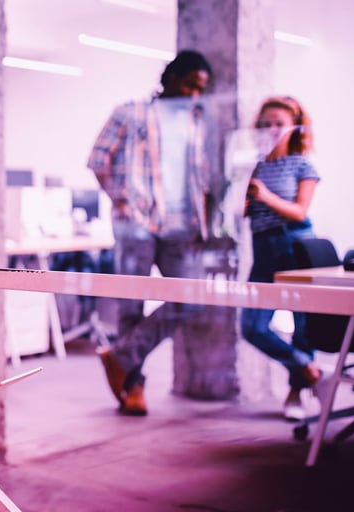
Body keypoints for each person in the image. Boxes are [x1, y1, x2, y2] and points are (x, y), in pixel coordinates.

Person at [86, 50, 219, 415]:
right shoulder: (131, 111)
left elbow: (201, 178)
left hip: (181, 227)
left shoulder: (195, 123)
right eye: (190, 85)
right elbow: (98, 160)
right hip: (138, 224)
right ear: (171, 78)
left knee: (191, 296)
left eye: (200, 89)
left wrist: (203, 225)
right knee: (131, 306)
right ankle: (133, 388)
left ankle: (121, 357)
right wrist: (124, 201)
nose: (194, 94)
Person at [241, 95, 321, 421]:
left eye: (279, 124)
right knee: (251, 326)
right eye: (265, 124)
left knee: (303, 326)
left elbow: (300, 211)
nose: (271, 130)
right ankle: (305, 366)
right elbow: (241, 213)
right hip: (263, 249)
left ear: (295, 127)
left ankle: (296, 393)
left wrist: (265, 196)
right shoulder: (253, 166)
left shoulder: (304, 165)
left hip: (296, 245)